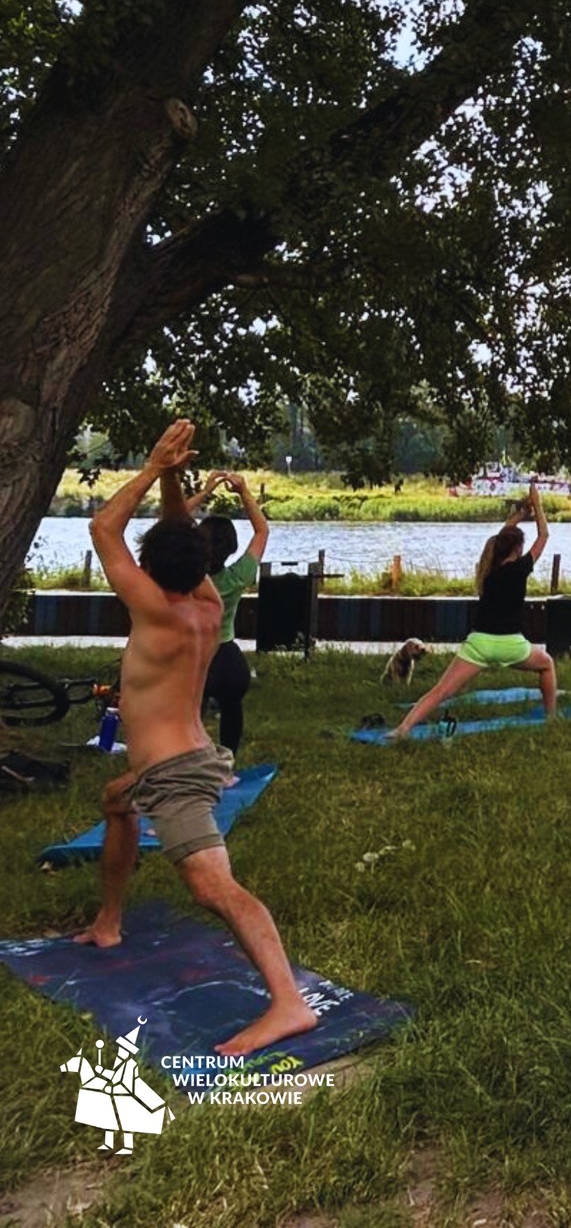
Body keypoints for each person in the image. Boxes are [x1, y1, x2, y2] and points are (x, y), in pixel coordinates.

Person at [73, 421, 315, 1056]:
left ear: (148, 570)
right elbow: (183, 541)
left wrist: (154, 468)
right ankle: (108, 921)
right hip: (188, 756)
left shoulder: (153, 608)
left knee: (214, 888)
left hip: (176, 774)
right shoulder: (207, 605)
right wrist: (175, 480)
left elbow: (103, 528)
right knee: (116, 800)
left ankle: (288, 1003)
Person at [392, 485, 555, 738]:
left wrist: (521, 514)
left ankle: (402, 729)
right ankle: (552, 718)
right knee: (546, 665)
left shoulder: (487, 570)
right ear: (517, 549)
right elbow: (543, 536)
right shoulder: (520, 569)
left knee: (441, 691)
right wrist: (537, 504)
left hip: (479, 644)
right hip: (511, 645)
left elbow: (500, 539)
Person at [195, 471, 268, 757]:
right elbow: (262, 531)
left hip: (194, 657)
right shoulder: (238, 577)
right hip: (228, 659)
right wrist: (244, 492)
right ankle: (228, 764)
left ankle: (190, 764)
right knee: (232, 711)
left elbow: (170, 523)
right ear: (231, 549)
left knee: (190, 719)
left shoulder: (185, 578)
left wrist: (205, 493)